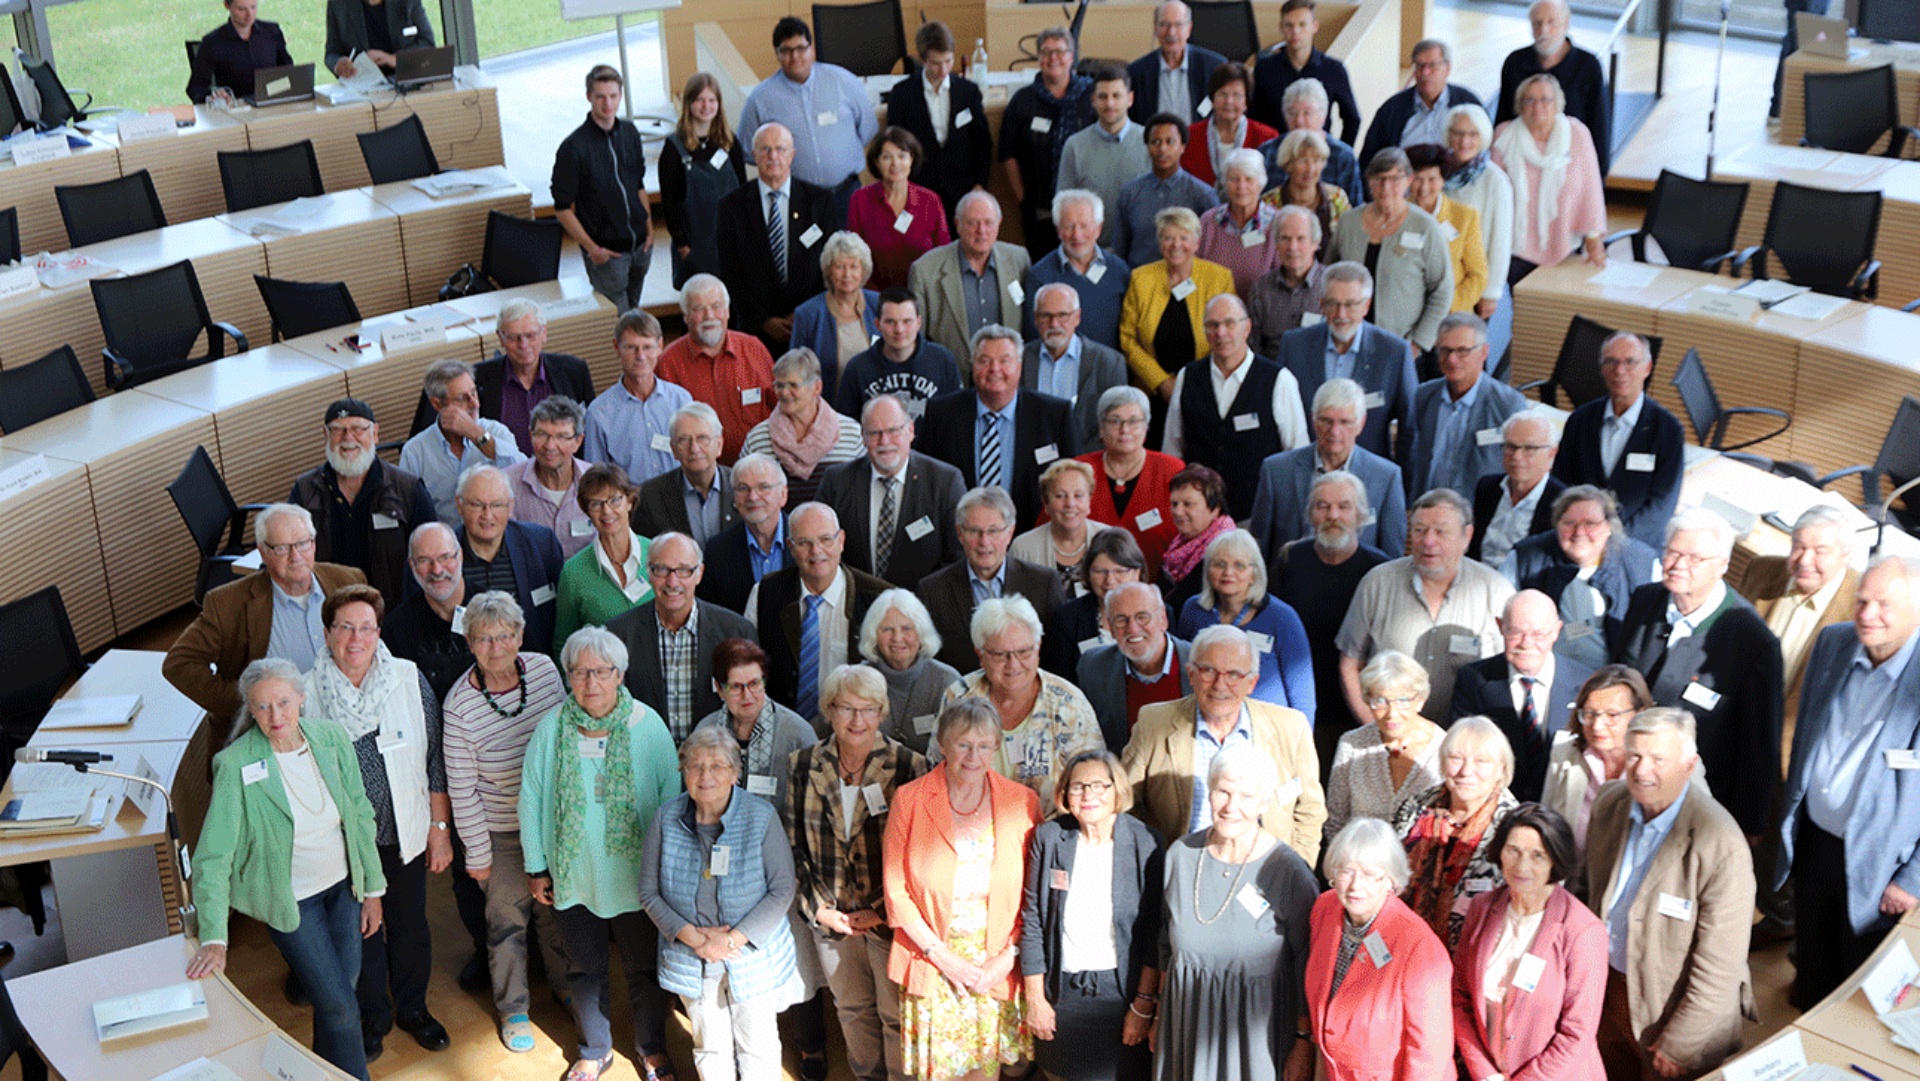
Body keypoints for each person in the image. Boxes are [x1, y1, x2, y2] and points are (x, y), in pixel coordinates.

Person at [187, 659, 386, 1080]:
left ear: (301, 698)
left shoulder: (331, 739)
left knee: (338, 998)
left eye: (283, 702)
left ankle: (311, 1074)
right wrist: (215, 936)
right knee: (341, 1007)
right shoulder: (236, 764)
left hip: (344, 890)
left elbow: (361, 815)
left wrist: (373, 890)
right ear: (250, 709)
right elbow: (212, 856)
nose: (275, 716)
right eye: (262, 707)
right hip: (292, 902)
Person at [520, 627, 680, 1081]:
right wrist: (536, 866)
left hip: (637, 877)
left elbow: (672, 799)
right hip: (574, 877)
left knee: (644, 969)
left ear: (620, 674)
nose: (592, 682)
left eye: (602, 671)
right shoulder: (551, 729)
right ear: (568, 676)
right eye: (581, 671)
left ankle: (651, 1047)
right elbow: (530, 797)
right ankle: (594, 1049)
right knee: (584, 970)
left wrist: (668, 871)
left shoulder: (647, 726)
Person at [303, 585, 450, 1061]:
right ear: (327, 634)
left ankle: (412, 1009)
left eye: (366, 627)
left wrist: (438, 828)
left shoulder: (406, 678)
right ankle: (374, 1019)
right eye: (345, 627)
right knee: (360, 934)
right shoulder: (306, 694)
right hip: (346, 843)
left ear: (378, 632)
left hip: (404, 831)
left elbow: (434, 758)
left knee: (410, 926)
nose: (356, 638)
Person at [1775, 555, 1920, 1006]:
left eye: (1883, 605)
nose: (1866, 614)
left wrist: (1914, 879)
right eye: (1861, 601)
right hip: (1816, 840)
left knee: (1860, 985)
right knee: (1811, 964)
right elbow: (1805, 736)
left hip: (1882, 864)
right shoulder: (1833, 642)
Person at [1586, 708, 1756, 1080]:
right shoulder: (1610, 804)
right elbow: (1585, 893)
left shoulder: (1721, 843)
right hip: (1607, 993)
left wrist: (1682, 1042)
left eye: (1658, 759)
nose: (1642, 770)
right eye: (1634, 755)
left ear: (1689, 765)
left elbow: (1720, 964)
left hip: (1671, 1013)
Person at [883, 696, 1043, 1079]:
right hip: (935, 958)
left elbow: (1034, 894)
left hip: (995, 961)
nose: (974, 755)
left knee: (984, 1072)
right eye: (963, 744)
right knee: (940, 1073)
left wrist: (1008, 956)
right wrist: (943, 957)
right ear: (942, 743)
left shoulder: (1022, 802)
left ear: (997, 747)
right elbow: (895, 889)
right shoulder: (911, 799)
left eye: (984, 745)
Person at [439, 591, 572, 1054]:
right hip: (501, 831)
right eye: (483, 638)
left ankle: (565, 986)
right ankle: (514, 1007)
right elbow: (463, 789)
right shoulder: (459, 706)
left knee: (555, 914)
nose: (496, 647)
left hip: (551, 822)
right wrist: (478, 854)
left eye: (504, 635)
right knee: (507, 923)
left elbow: (563, 735)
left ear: (519, 635)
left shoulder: (543, 669)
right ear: (469, 642)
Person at [789, 664, 932, 1081]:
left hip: (889, 918)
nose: (857, 720)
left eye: (868, 709)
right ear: (828, 710)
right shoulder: (802, 764)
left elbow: (918, 855)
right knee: (851, 1010)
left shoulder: (910, 765)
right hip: (831, 918)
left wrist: (881, 909)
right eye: (846, 708)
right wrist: (819, 909)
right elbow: (793, 844)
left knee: (895, 1013)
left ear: (882, 712)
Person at [640, 722, 802, 1081]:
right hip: (691, 955)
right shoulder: (666, 818)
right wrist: (696, 940)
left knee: (757, 1045)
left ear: (735, 772)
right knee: (709, 1046)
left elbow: (781, 888)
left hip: (751, 955)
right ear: (683, 771)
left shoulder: (761, 817)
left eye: (717, 765)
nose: (705, 775)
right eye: (695, 766)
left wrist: (731, 940)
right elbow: (648, 892)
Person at [1614, 507, 1784, 837]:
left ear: (1722, 566)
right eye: (1673, 553)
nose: (1678, 565)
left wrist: (1746, 828)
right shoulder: (1645, 600)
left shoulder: (1753, 641)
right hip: (1625, 783)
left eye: (1694, 559)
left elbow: (1757, 747)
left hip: (1693, 807)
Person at [1157, 743, 1320, 1081]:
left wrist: (1304, 1043)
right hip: (1187, 1030)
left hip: (1256, 1043)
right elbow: (1164, 946)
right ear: (1209, 791)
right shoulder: (1180, 856)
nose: (1231, 807)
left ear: (1264, 802)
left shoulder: (1289, 872)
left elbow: (1308, 963)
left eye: (1246, 796)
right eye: (1223, 792)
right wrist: (1157, 1014)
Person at [1019, 749, 1164, 1081]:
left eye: (1099, 785)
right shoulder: (1050, 838)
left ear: (1118, 790)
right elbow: (1033, 920)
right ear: (1065, 794)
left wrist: (1143, 1004)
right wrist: (1036, 998)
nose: (1088, 795)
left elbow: (1156, 934)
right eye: (1078, 786)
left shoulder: (1147, 843)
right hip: (1062, 995)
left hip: (1123, 997)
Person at [1124, 625, 1325, 862]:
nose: (1220, 685)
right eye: (1208, 671)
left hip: (1267, 873)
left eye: (1233, 675)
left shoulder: (1290, 727)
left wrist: (1294, 874)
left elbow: (1310, 812)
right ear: (1191, 674)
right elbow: (1125, 803)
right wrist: (1156, 865)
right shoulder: (1154, 722)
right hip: (1180, 870)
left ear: (1251, 683)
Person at [163, 504, 366, 723]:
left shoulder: (349, 581)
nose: (295, 556)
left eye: (302, 544)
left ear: (314, 543)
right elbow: (179, 664)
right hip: (272, 730)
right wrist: (250, 700)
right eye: (281, 548)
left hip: (346, 719)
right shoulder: (228, 604)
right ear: (263, 552)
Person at [1451, 804, 1608, 1081]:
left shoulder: (1583, 931)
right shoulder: (1481, 908)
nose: (1522, 866)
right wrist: (1484, 1073)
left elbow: (1577, 1033)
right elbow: (1459, 998)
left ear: (1556, 861)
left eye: (1538, 856)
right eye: (1513, 851)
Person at [1337, 489, 1515, 719]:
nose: (1428, 541)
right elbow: (1350, 664)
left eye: (1441, 532)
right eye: (1419, 531)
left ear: (1467, 536)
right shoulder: (1377, 583)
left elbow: (1511, 671)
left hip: (1465, 745)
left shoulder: (1496, 590)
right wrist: (1373, 729)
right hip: (1389, 735)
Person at [1306, 818, 1455, 1081]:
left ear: (1391, 880)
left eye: (1370, 874)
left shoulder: (1420, 947)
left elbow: (1430, 1055)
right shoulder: (1325, 909)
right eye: (1346, 871)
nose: (1355, 886)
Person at [1271, 471, 1391, 779]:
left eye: (1344, 507)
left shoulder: (1379, 571)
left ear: (1361, 515)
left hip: (1355, 710)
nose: (1332, 515)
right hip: (1298, 709)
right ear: (1310, 514)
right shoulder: (1290, 559)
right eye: (1322, 506)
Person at [938, 596, 1104, 803]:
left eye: (1024, 652)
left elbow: (1093, 784)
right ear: (980, 655)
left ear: (1038, 648)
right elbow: (937, 771)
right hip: (969, 826)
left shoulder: (1069, 703)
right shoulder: (958, 696)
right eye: (1000, 654)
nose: (1013, 664)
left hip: (1050, 829)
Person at [1160, 295, 1308, 518]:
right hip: (1199, 519)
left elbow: (1296, 455)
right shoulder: (1187, 377)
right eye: (1213, 325)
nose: (1221, 333)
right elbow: (1172, 449)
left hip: (1257, 514)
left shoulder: (1279, 380)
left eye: (1230, 323)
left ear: (1247, 327)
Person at [917, 325, 1078, 529]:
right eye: (984, 360)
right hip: (960, 537)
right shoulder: (941, 413)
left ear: (1019, 366)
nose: (994, 369)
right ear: (973, 365)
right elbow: (923, 478)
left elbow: (1073, 480)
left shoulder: (1055, 415)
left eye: (1004, 361)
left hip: (1032, 537)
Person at [601, 533, 754, 744]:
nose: (672, 582)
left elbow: (751, 709)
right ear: (648, 573)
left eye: (683, 570)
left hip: (715, 764)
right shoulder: (617, 635)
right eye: (662, 570)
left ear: (699, 573)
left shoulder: (736, 632)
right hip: (645, 762)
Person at [748, 502, 893, 720]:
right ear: (790, 546)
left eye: (826, 539)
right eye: (804, 542)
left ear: (841, 540)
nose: (816, 551)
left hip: (855, 730)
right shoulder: (764, 594)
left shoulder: (880, 599)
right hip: (781, 727)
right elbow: (746, 666)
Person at [289, 399, 437, 610]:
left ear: (375, 433)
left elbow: (432, 557)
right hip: (324, 612)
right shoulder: (305, 491)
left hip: (391, 613)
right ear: (326, 435)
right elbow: (287, 550)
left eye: (358, 429)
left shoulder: (408, 490)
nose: (348, 438)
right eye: (338, 430)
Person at [1452, 591, 1595, 803]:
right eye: (1516, 633)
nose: (1526, 644)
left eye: (1539, 635)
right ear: (1500, 626)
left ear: (1557, 631)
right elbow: (1462, 748)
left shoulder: (1586, 682)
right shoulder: (1473, 679)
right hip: (1493, 807)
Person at [1391, 716, 1522, 946]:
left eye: (1481, 761)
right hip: (1404, 949)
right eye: (1456, 758)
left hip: (1475, 956)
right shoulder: (1414, 807)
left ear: (1501, 768)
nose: (1466, 771)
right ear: (1442, 763)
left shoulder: (1515, 827)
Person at [920, 482, 1074, 675]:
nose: (984, 542)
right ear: (960, 533)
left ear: (1010, 532)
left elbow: (1056, 656)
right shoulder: (933, 589)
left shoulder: (1043, 583)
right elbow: (932, 664)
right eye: (974, 531)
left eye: (993, 531)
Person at [1548, 332, 1683, 550]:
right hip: (1577, 541)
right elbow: (1560, 485)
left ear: (1647, 368)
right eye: (1611, 362)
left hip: (1634, 547)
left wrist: (1612, 543)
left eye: (1630, 362)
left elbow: (1661, 507)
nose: (1619, 371)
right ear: (1602, 368)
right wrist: (1580, 534)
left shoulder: (1667, 430)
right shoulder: (1580, 420)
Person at [817, 393, 966, 589]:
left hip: (921, 609)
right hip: (855, 608)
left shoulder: (945, 482)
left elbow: (957, 557)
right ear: (862, 437)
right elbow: (821, 549)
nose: (884, 441)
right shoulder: (836, 482)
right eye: (874, 433)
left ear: (911, 430)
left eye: (893, 431)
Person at [717, 122, 841, 355]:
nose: (773, 156)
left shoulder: (820, 201)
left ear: (792, 154)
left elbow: (832, 264)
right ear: (753, 155)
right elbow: (729, 273)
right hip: (756, 332)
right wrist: (763, 320)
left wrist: (804, 313)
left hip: (811, 325)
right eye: (765, 149)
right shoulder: (731, 207)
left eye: (780, 149)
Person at [1274, 262, 1418, 463]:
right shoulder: (1294, 345)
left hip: (1369, 476)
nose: (1341, 314)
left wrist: (1402, 485)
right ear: (1322, 304)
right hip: (1306, 471)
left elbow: (1410, 428)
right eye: (1333, 304)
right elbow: (1280, 415)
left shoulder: (1394, 352)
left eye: (1350, 305)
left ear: (1366, 305)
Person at [1247, 378, 1407, 557]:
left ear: (1361, 424)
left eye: (1345, 422)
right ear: (1314, 420)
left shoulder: (1386, 477)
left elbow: (1392, 557)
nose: (1334, 431)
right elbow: (1258, 550)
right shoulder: (1276, 471)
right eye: (1326, 421)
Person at [1508, 486, 1658, 671]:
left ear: (1609, 527)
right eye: (1569, 523)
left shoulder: (1643, 562)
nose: (1579, 532)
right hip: (1545, 674)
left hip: (1612, 678)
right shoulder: (1526, 557)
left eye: (1590, 524)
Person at [1743, 504, 1861, 737]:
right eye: (1798, 547)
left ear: (1846, 554)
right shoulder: (1761, 570)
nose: (1805, 560)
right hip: (1735, 720)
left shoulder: (1862, 605)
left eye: (1820, 551)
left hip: (1792, 744)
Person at [1174, 532, 1316, 720]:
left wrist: (1299, 745)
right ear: (1207, 570)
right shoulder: (1193, 611)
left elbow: (1303, 697)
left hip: (1269, 733)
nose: (1228, 573)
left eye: (1239, 565)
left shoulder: (1282, 618)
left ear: (1254, 574)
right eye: (1219, 564)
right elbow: (1185, 675)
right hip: (1208, 724)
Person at [1117, 207, 1235, 431]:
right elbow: (1127, 338)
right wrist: (1161, 382)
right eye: (1168, 238)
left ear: (1197, 243)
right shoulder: (1141, 278)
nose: (1176, 245)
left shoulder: (1219, 278)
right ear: (1160, 243)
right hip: (1150, 392)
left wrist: (1188, 384)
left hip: (1205, 388)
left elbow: (1228, 334)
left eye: (1183, 238)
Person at [738, 16, 876, 202]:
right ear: (777, 54)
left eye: (801, 48)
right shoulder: (760, 99)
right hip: (797, 200)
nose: (794, 57)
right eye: (786, 50)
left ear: (811, 49)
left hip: (847, 194)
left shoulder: (844, 81)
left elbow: (868, 128)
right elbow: (747, 150)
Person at [1331, 148, 1453, 354]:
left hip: (1402, 345)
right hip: (1348, 341)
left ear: (1409, 180)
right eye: (1378, 179)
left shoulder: (1425, 226)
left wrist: (1418, 344)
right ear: (1368, 180)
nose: (1386, 187)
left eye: (1395, 179)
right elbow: (1330, 274)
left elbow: (1442, 290)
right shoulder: (1348, 223)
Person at [553, 65, 654, 311]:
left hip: (641, 246)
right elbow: (562, 208)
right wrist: (592, 249)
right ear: (589, 97)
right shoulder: (573, 148)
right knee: (619, 322)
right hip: (607, 254)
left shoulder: (630, 133)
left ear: (621, 96)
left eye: (613, 96)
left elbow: (638, 184)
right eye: (600, 97)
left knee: (634, 311)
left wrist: (650, 228)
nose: (607, 103)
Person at [1491, 74, 1607, 288]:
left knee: (1556, 312)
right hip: (1516, 248)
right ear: (1519, 105)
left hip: (1566, 244)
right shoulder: (1505, 135)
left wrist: (1593, 237)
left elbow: (1590, 189)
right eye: (1529, 100)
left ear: (1558, 104)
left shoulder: (1577, 133)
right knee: (1526, 311)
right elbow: (1493, 194)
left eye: (1545, 100)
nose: (1538, 107)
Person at [1324, 651, 1446, 843]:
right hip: (1360, 864)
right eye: (1380, 701)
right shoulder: (1352, 744)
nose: (1392, 713)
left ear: (1420, 700)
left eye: (1403, 700)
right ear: (1367, 700)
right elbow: (1335, 822)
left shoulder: (1444, 748)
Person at [447, 301, 596, 458]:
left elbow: (591, 432)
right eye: (513, 338)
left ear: (544, 333)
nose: (523, 345)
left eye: (530, 335)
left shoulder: (573, 371)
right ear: (500, 338)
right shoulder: (478, 379)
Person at [658, 276, 777, 465]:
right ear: (685, 316)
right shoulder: (667, 364)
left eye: (716, 306)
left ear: (728, 311)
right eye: (699, 309)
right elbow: (664, 433)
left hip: (758, 470)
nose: (709, 316)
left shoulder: (754, 349)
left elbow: (781, 408)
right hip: (699, 477)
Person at [1406, 312, 1525, 497]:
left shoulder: (1508, 404)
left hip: (1478, 514)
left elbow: (1520, 469)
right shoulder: (1424, 396)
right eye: (1445, 350)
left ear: (1483, 352)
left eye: (1462, 351)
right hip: (1427, 507)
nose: (1452, 360)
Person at [1000, 26, 1095, 256]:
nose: (1053, 58)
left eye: (1060, 52)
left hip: (1084, 213)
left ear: (1072, 57)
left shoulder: (1091, 96)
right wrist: (1023, 199)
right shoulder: (1023, 100)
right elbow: (1006, 152)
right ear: (1039, 58)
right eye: (1046, 52)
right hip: (1039, 211)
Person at [886, 21, 993, 226]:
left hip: (962, 189)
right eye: (935, 63)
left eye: (948, 61)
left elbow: (982, 142)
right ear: (922, 59)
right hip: (919, 189)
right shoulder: (902, 94)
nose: (943, 69)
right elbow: (896, 147)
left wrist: (980, 183)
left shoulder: (968, 92)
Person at [1541, 664, 1654, 855]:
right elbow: (1546, 826)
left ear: (1639, 714)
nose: (1597, 726)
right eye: (1590, 713)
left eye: (1612, 715)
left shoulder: (1670, 762)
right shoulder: (1564, 753)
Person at [908, 193, 1033, 367]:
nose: (981, 230)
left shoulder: (1019, 260)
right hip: (952, 378)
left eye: (988, 222)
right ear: (958, 225)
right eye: (973, 223)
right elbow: (916, 339)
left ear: (999, 223)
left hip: (1006, 378)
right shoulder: (925, 270)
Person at [453, 466, 565, 655]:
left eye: (497, 505)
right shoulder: (444, 555)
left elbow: (562, 618)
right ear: (459, 505)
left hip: (533, 668)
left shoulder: (542, 544)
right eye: (477, 504)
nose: (487, 515)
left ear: (511, 506)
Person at [399, 360, 526, 523]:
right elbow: (409, 512)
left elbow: (522, 473)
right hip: (447, 542)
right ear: (437, 404)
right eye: (462, 398)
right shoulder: (415, 452)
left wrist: (475, 433)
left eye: (474, 393)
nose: (474, 403)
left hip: (498, 533)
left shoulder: (497, 432)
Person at [1496, 0, 1612, 176]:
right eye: (1537, 23)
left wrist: (1598, 177)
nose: (1543, 30)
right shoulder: (1514, 63)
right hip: (1520, 165)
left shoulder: (1588, 66)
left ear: (1566, 24)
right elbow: (1503, 120)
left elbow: (1599, 129)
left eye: (1551, 22)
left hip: (1571, 167)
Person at [739, 348, 865, 505]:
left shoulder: (851, 434)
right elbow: (743, 492)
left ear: (817, 388)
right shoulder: (758, 439)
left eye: (793, 385)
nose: (784, 393)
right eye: (779, 385)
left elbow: (865, 490)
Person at [1081, 387, 1184, 580]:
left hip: (1159, 589)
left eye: (1134, 421)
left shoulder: (1172, 471)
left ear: (1147, 425)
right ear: (1101, 427)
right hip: (1089, 588)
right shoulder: (1079, 470)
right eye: (1114, 421)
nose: (1124, 430)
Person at [1080, 581, 1192, 752]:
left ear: (1163, 618)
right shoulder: (1093, 667)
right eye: (1121, 620)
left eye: (1142, 617)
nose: (1132, 628)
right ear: (1109, 626)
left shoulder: (1199, 662)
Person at [585, 312, 693, 489]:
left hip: (680, 501)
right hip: (630, 508)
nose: (641, 356)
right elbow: (597, 480)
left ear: (660, 346)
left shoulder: (681, 400)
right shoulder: (599, 413)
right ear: (616, 347)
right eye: (631, 347)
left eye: (647, 347)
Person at [1020, 281, 1130, 456]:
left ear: (1077, 317)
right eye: (1046, 315)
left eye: (1063, 315)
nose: (1054, 324)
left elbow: (1114, 423)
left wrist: (1078, 461)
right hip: (1030, 462)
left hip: (1088, 464)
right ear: (1035, 319)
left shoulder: (1109, 362)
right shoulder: (1020, 358)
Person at [660, 71, 747, 289]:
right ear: (688, 103)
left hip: (730, 244)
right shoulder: (673, 148)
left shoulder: (729, 142)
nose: (706, 106)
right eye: (699, 100)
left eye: (711, 100)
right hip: (695, 247)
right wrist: (682, 246)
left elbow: (744, 191)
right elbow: (669, 203)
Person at [553, 464, 652, 648]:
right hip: (600, 675)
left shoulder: (657, 554)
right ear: (587, 511)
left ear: (630, 501)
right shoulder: (573, 572)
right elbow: (563, 643)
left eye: (614, 500)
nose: (606, 511)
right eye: (596, 504)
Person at [1022, 191, 1133, 352]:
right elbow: (1033, 338)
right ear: (1058, 229)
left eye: (1084, 226)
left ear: (1098, 228)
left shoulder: (1120, 271)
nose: (1077, 235)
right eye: (1069, 227)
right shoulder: (1039, 276)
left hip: (1108, 371)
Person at [859, 589, 965, 755]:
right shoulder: (857, 680)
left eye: (907, 628)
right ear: (873, 634)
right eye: (887, 629)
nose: (897, 638)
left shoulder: (947, 681)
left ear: (921, 633)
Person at [833, 288, 965, 421]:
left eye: (907, 321)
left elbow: (957, 417)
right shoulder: (858, 368)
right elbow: (846, 425)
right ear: (878, 325)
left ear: (919, 322)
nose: (899, 330)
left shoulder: (942, 361)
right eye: (890, 322)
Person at [1041, 521, 1151, 679]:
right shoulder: (1066, 620)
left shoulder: (1159, 612)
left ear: (1137, 572)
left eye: (1119, 571)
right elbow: (1060, 681)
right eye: (1099, 571)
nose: (1109, 580)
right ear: (1087, 572)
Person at [1057, 67, 1149, 251]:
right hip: (1089, 252)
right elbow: (1063, 206)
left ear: (1130, 99)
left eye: (1116, 96)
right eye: (1103, 97)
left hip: (1140, 251)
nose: (1110, 104)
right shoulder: (1075, 146)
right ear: (1093, 101)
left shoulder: (1149, 142)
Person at [1113, 113, 1222, 269]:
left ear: (1183, 147)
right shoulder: (1130, 193)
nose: (1162, 149)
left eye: (1170, 142)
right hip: (1140, 284)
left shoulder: (1203, 194)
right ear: (1147, 146)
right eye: (1155, 142)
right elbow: (1120, 249)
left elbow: (1212, 249)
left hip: (1188, 283)